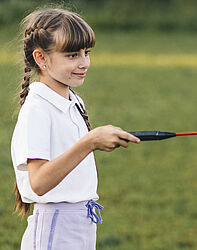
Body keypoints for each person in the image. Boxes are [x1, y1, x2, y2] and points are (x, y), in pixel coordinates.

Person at [11, 8, 140, 249]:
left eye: (86, 52)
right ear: (41, 59)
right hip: (55, 227)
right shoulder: (37, 109)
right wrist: (89, 142)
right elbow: (38, 182)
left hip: (81, 222)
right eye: (72, 55)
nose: (84, 63)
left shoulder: (72, 100)